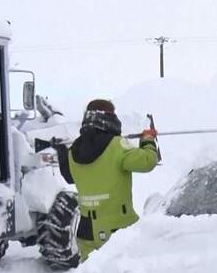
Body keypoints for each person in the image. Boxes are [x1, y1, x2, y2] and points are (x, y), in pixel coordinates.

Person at [68, 99, 159, 261]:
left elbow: (68, 176)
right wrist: (148, 140)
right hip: (118, 228)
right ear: (110, 117)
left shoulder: (73, 150)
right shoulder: (117, 146)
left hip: (86, 229)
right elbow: (147, 162)